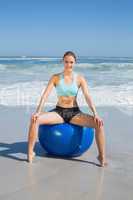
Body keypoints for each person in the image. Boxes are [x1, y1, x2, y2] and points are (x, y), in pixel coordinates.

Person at [27, 51, 107, 166]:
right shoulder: (55, 78)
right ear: (62, 62)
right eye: (66, 62)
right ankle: (30, 153)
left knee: (99, 124)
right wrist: (37, 112)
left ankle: (101, 157)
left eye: (71, 62)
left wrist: (96, 114)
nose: (69, 65)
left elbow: (87, 96)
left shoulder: (79, 78)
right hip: (59, 112)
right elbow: (45, 95)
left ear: (75, 63)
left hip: (74, 113)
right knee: (34, 120)